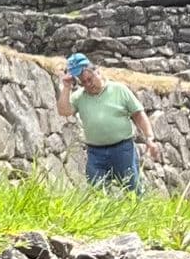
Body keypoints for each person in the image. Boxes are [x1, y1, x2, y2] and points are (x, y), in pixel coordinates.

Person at [56, 51, 155, 191]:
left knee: (133, 190)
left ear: (98, 72)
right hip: (95, 153)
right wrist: (66, 88)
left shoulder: (119, 90)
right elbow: (63, 111)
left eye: (89, 79)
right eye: (83, 82)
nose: (88, 84)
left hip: (123, 150)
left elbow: (138, 114)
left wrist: (149, 137)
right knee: (97, 192)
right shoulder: (79, 97)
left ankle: (141, 212)